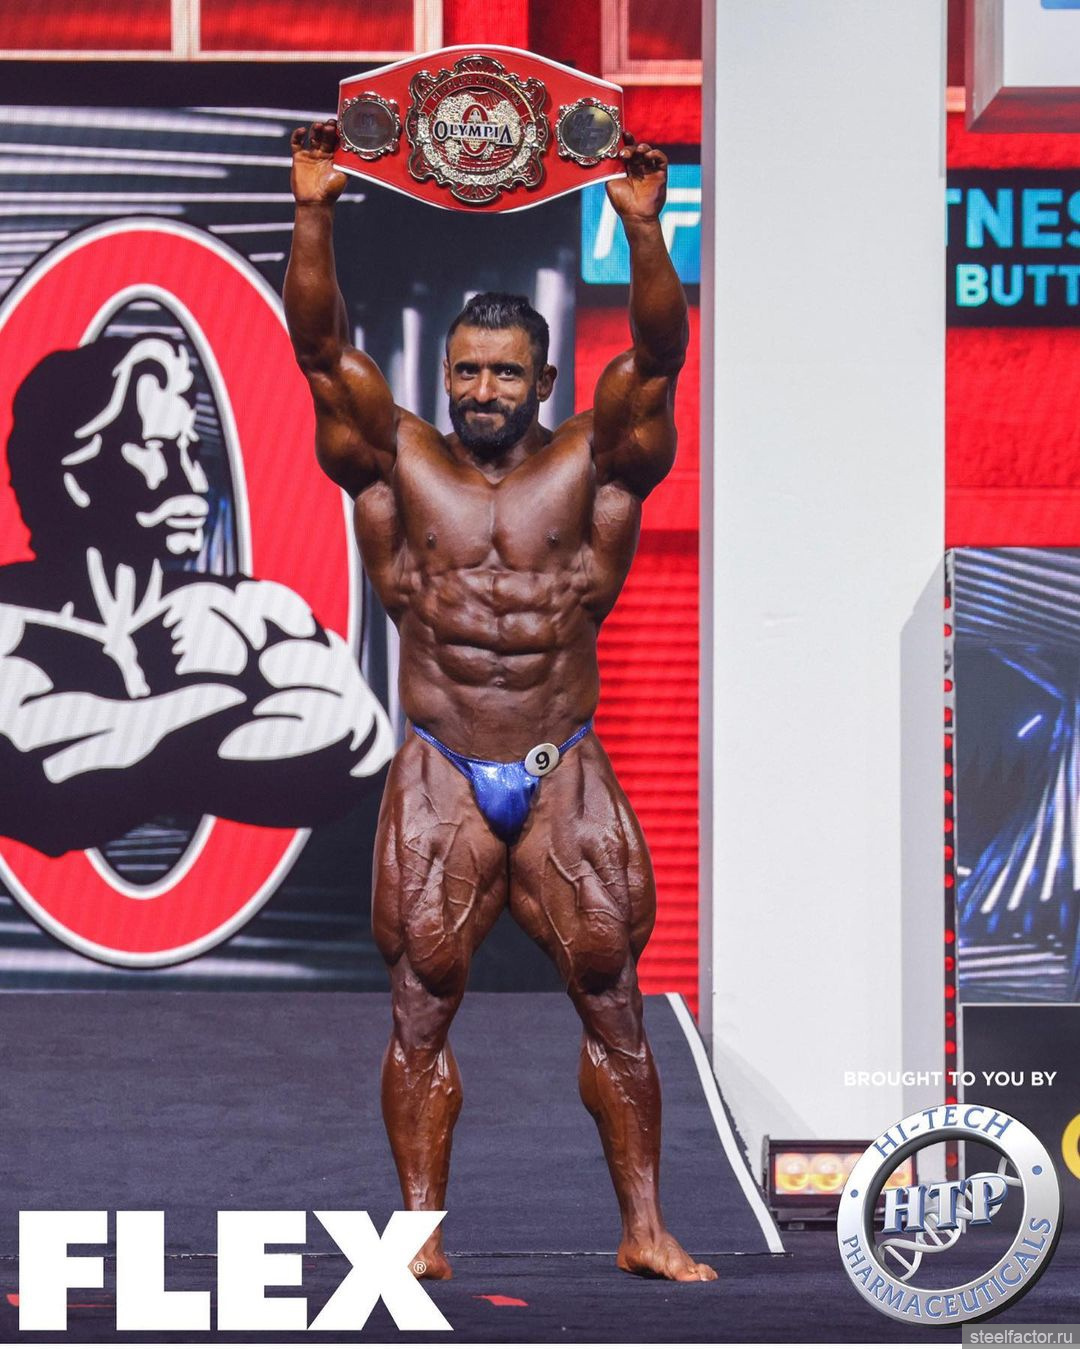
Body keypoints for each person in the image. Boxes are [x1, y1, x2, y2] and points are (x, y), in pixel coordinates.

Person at [285, 118, 716, 1283]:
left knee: (613, 995)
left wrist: (644, 230)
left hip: (559, 760)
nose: (483, 388)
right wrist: (313, 207)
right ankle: (419, 1234)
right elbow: (319, 350)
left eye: (506, 371)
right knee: (421, 1001)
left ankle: (644, 1226)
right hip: (441, 761)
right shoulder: (396, 460)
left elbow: (661, 359)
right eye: (468, 369)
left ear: (546, 380)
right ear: (446, 375)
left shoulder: (594, 462)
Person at [0, 334, 391, 854]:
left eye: (190, 450)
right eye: (157, 449)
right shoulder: (11, 625)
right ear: (77, 476)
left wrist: (137, 738)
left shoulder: (248, 612)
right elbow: (49, 778)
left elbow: (358, 737)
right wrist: (220, 698)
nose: (193, 480)